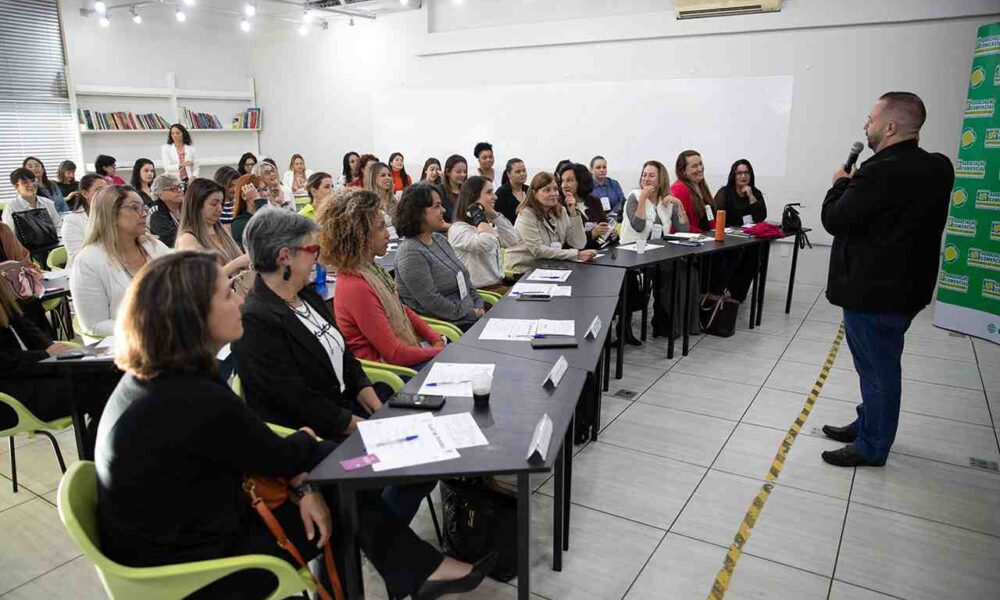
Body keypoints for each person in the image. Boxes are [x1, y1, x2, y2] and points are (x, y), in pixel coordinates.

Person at [96, 250, 495, 600]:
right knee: (339, 493)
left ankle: (419, 570)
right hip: (188, 565)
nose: (240, 299)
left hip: (179, 527)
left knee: (334, 479)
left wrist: (303, 475)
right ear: (191, 316)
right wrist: (304, 451)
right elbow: (276, 450)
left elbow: (259, 448)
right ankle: (418, 569)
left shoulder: (163, 376)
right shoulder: (188, 393)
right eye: (227, 293)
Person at [819, 92, 953, 468]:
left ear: (891, 127)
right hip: (908, 289)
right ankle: (867, 424)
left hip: (872, 292)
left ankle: (872, 446)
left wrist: (841, 182)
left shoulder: (877, 172)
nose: (866, 125)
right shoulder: (940, 167)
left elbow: (835, 219)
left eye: (871, 119)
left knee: (877, 370)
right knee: (877, 366)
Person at [321, 189, 444, 368]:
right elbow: (396, 355)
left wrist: (435, 338)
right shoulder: (355, 285)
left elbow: (400, 309)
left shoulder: (370, 268)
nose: (387, 234)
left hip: (403, 363)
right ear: (359, 234)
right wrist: (441, 351)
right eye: (380, 228)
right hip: (392, 377)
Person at [0, 273, 117, 454]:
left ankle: (104, 453)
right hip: (11, 394)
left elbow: (27, 329)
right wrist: (44, 354)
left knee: (111, 374)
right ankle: (99, 457)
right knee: (100, 390)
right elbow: (5, 364)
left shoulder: (4, 298)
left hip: (33, 372)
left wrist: (52, 349)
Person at [70, 185, 170, 338]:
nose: (144, 214)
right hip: (129, 346)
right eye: (134, 208)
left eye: (143, 208)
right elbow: (93, 324)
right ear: (111, 213)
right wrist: (147, 327)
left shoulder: (154, 246)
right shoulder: (88, 260)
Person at [394, 184, 485, 331]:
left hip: (471, 316)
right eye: (436, 206)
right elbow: (432, 302)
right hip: (451, 327)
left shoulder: (439, 239)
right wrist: (471, 313)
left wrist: (479, 304)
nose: (443, 210)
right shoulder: (410, 253)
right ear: (419, 212)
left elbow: (465, 279)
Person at [620, 161, 694, 341]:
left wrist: (679, 205)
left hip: (659, 253)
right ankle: (658, 323)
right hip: (632, 251)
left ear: (661, 179)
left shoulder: (666, 201)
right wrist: (644, 198)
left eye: (651, 175)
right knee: (665, 271)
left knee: (674, 270)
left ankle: (665, 323)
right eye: (644, 174)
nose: (646, 178)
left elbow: (684, 231)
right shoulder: (634, 196)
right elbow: (638, 226)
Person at [504, 172, 595, 275]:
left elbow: (579, 243)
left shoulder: (561, 211)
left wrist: (573, 213)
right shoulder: (526, 215)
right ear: (534, 194)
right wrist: (576, 255)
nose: (554, 194)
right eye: (547, 190)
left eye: (555, 189)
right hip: (522, 271)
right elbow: (538, 250)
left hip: (548, 267)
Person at [709, 159, 768, 302]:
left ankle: (737, 295)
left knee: (756, 254)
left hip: (748, 238)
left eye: (746, 172)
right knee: (732, 255)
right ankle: (720, 291)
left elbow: (760, 217)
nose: (743, 176)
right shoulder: (725, 192)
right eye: (739, 173)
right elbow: (717, 215)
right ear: (733, 175)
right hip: (728, 237)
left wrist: (751, 196)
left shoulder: (755, 192)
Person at [448, 176, 519, 294]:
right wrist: (478, 213)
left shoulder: (485, 226)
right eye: (489, 192)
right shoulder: (458, 229)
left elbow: (512, 239)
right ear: (473, 197)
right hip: (481, 294)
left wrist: (495, 216)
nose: (495, 197)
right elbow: (485, 243)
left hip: (498, 287)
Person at [176, 178, 250, 277]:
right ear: (197, 204)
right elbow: (197, 280)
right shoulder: (187, 239)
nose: (220, 209)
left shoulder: (223, 231)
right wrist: (236, 263)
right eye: (214, 204)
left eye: (221, 203)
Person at [558, 162, 611, 248]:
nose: (564, 185)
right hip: (575, 256)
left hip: (598, 252)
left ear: (581, 181)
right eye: (562, 181)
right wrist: (592, 234)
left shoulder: (594, 201)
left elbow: (604, 229)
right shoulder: (559, 206)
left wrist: (611, 234)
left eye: (570, 180)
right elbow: (565, 242)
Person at [61, 173, 107, 267]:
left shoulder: (111, 215)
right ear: (85, 193)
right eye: (98, 190)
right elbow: (79, 256)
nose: (104, 194)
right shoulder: (71, 221)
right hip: (83, 270)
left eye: (106, 190)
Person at [231, 173, 284, 249]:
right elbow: (267, 233)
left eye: (265, 189)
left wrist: (282, 204)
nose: (265, 194)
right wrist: (258, 200)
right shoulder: (239, 222)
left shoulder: (270, 214)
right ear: (244, 195)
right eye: (258, 190)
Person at [3, 167, 62, 234]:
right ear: (17, 186)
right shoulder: (11, 208)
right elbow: (10, 235)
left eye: (33, 180)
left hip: (52, 242)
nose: (31, 185)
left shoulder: (48, 203)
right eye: (25, 182)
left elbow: (58, 226)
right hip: (23, 244)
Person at [671, 150, 716, 233]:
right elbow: (680, 225)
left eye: (700, 164)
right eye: (695, 166)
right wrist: (704, 235)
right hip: (694, 240)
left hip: (707, 239)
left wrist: (716, 232)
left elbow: (710, 217)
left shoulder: (701, 185)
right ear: (683, 171)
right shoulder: (679, 189)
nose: (700, 168)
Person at [147, 174, 184, 248]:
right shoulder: (156, 213)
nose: (179, 190)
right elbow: (169, 240)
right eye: (173, 188)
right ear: (159, 193)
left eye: (180, 187)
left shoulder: (185, 205)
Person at [495, 157, 528, 224]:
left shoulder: (529, 190)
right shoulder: (501, 193)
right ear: (509, 174)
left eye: (524, 170)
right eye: (518, 172)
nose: (522, 174)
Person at [441, 154, 467, 222]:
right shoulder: (439, 191)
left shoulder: (467, 192)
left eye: (465, 172)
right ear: (448, 172)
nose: (463, 175)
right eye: (458, 172)